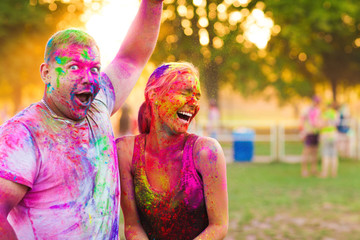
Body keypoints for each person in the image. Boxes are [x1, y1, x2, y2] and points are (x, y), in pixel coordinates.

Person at [0, 0, 163, 239]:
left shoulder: (98, 108)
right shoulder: (23, 134)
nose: (89, 78)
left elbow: (131, 57)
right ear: (46, 72)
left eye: (95, 69)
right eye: (75, 67)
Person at [116, 62, 228, 240]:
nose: (194, 104)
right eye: (185, 92)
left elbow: (218, 226)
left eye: (197, 96)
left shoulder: (206, 152)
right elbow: (132, 225)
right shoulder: (125, 152)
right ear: (154, 96)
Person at [299, 95, 322, 177]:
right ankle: (304, 170)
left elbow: (319, 121)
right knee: (306, 151)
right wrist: (302, 132)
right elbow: (301, 121)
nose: (317, 103)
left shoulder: (318, 110)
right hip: (308, 133)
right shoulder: (306, 110)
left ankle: (313, 169)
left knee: (315, 152)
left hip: (316, 132)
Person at [319, 102, 339, 178]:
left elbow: (321, 124)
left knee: (326, 155)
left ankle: (324, 173)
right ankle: (334, 173)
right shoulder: (335, 114)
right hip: (334, 135)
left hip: (326, 135)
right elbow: (337, 124)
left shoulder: (324, 114)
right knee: (334, 155)